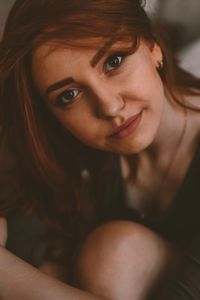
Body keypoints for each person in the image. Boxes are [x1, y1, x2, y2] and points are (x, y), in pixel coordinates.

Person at [0, 0, 200, 299]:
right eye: (69, 95)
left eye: (114, 61)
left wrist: (6, 274)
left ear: (152, 45)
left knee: (114, 256)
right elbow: (27, 243)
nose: (109, 106)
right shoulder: (66, 150)